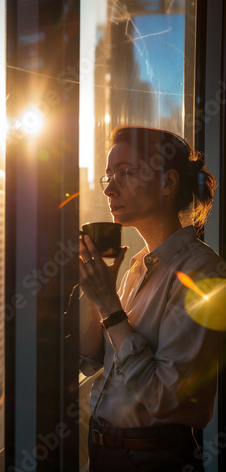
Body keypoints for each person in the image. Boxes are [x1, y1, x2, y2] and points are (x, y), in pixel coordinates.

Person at [78, 126, 226, 472]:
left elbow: (165, 398)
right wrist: (94, 290)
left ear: (167, 183)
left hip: (151, 458)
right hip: (102, 451)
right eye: (108, 176)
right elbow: (89, 361)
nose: (110, 188)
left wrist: (111, 307)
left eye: (125, 174)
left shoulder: (202, 272)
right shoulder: (136, 266)